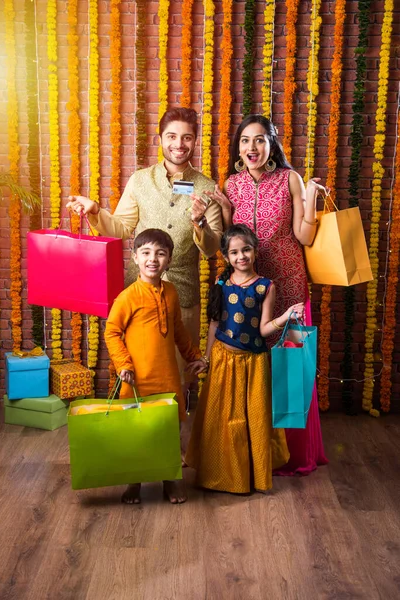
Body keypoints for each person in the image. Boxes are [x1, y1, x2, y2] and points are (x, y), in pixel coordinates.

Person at [203, 115, 328, 476]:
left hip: (288, 284)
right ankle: (256, 452)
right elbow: (231, 242)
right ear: (237, 148)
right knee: (254, 366)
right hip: (246, 291)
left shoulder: (289, 179)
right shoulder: (232, 184)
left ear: (272, 144)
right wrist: (225, 212)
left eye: (259, 140)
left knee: (291, 368)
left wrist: (310, 200)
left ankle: (295, 455)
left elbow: (303, 238)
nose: (252, 148)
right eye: (245, 141)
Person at [67, 107, 223, 389]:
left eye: (187, 138)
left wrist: (199, 222)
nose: (179, 144)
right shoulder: (140, 180)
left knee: (178, 373)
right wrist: (94, 211)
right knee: (137, 369)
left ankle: (174, 428)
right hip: (136, 293)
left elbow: (212, 249)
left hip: (182, 295)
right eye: (172, 136)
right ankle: (137, 429)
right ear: (160, 139)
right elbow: (122, 227)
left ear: (195, 141)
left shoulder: (207, 187)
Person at [186, 224, 305, 493]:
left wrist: (285, 318)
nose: (241, 257)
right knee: (220, 418)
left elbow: (263, 329)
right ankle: (216, 473)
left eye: (246, 250)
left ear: (255, 251)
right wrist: (207, 358)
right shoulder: (221, 283)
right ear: (227, 257)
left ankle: (250, 476)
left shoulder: (265, 287)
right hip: (223, 359)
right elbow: (215, 325)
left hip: (254, 362)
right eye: (235, 252)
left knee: (252, 418)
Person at [105, 229, 208, 505]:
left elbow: (178, 331)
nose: (153, 259)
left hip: (167, 379)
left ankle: (171, 481)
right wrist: (123, 364)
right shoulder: (127, 296)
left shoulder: (172, 292)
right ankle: (133, 484)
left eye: (161, 254)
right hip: (136, 379)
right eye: (147, 253)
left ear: (169, 260)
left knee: (169, 430)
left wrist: (193, 356)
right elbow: (111, 332)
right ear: (135, 257)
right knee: (136, 432)